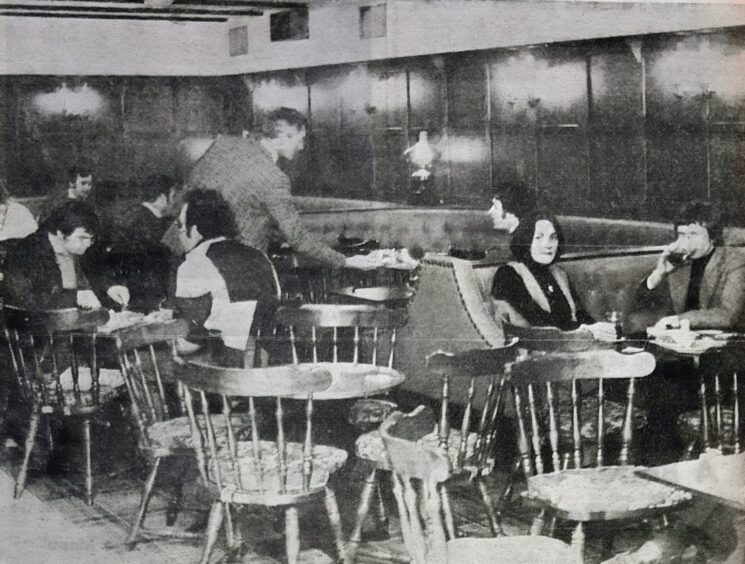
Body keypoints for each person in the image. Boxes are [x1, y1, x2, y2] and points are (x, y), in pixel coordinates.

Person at [182, 107, 360, 269]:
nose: (301, 147)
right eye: (300, 139)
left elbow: (196, 192)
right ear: (284, 136)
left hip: (185, 254)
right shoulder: (274, 178)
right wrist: (344, 261)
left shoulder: (224, 144)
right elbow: (297, 238)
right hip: (237, 267)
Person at [173, 188, 280, 366]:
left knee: (142, 364)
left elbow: (190, 343)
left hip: (223, 377)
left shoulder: (195, 262)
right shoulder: (260, 256)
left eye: (181, 226)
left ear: (196, 230)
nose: (180, 233)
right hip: (266, 373)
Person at [491, 212, 616, 339]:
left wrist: (601, 329)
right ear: (526, 240)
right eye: (539, 237)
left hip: (567, 344)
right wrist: (584, 331)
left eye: (553, 237)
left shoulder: (559, 274)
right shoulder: (508, 274)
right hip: (533, 349)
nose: (548, 245)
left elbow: (580, 314)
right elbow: (540, 322)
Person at [628, 201, 745, 332]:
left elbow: (727, 315)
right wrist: (658, 275)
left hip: (725, 342)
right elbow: (638, 307)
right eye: (682, 235)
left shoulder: (735, 262)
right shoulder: (678, 261)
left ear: (712, 237)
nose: (687, 241)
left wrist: (680, 319)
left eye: (694, 234)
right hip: (682, 340)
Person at [3, 200, 129, 311]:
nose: (88, 244)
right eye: (83, 238)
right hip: (41, 332)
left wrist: (109, 289)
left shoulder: (79, 248)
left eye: (92, 239)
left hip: (76, 325)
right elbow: (22, 299)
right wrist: (73, 298)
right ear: (60, 233)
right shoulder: (25, 253)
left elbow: (92, 280)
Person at [109, 175, 177, 312]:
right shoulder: (146, 225)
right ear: (162, 198)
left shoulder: (139, 218)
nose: (174, 202)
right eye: (173, 196)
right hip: (143, 300)